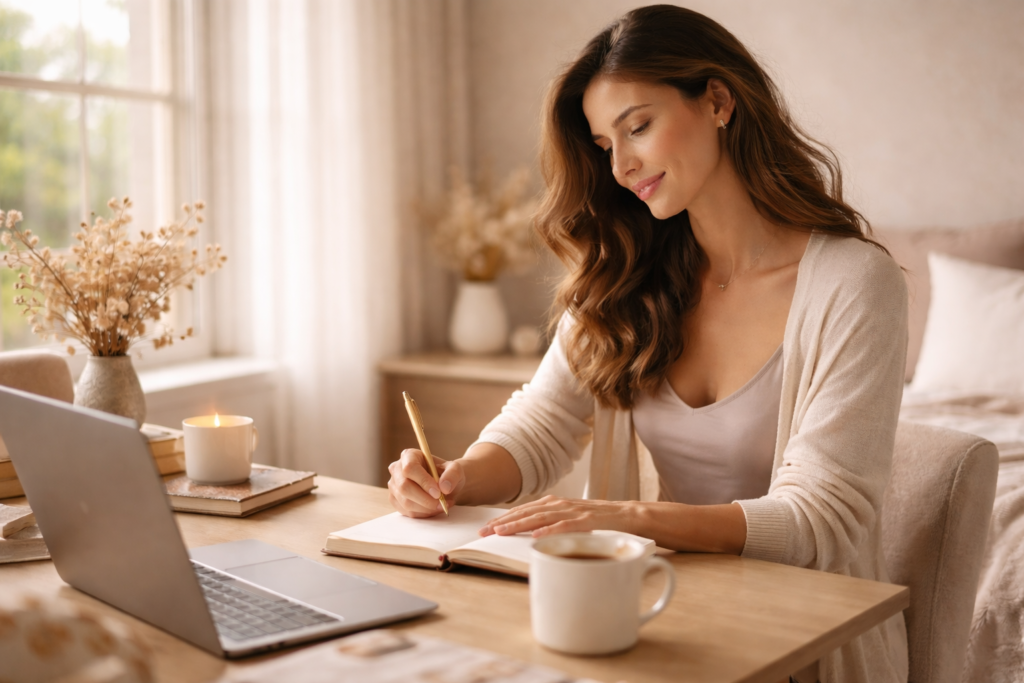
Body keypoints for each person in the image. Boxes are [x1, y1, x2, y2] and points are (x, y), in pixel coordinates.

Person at [388, 5, 908, 683]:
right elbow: (542, 424)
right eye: (606, 146)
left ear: (718, 100)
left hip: (802, 643)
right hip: (656, 612)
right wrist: (454, 475)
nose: (623, 165)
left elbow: (818, 520)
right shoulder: (626, 273)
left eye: (639, 126)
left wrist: (620, 517)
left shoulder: (854, 282)